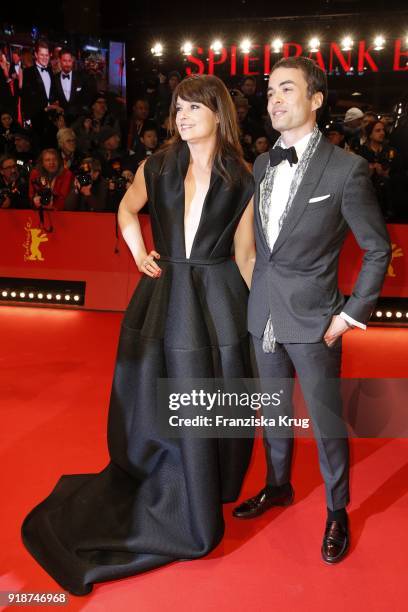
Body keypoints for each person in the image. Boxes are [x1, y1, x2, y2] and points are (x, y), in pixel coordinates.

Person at [21, 73, 256, 595]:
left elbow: (245, 255)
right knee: (156, 386)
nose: (183, 116)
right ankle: (166, 473)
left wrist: (257, 316)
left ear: (219, 113)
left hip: (218, 296)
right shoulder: (157, 165)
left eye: (195, 107)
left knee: (211, 391)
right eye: (178, 109)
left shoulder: (242, 176)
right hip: (166, 290)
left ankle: (207, 475)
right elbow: (127, 209)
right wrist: (138, 252)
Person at [232, 57, 391, 564]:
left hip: (316, 322)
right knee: (273, 410)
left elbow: (377, 248)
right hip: (264, 317)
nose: (274, 99)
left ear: (317, 100)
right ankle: (278, 484)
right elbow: (262, 247)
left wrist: (349, 315)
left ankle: (337, 509)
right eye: (270, 91)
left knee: (324, 421)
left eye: (287, 89)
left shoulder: (347, 170)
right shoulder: (260, 164)